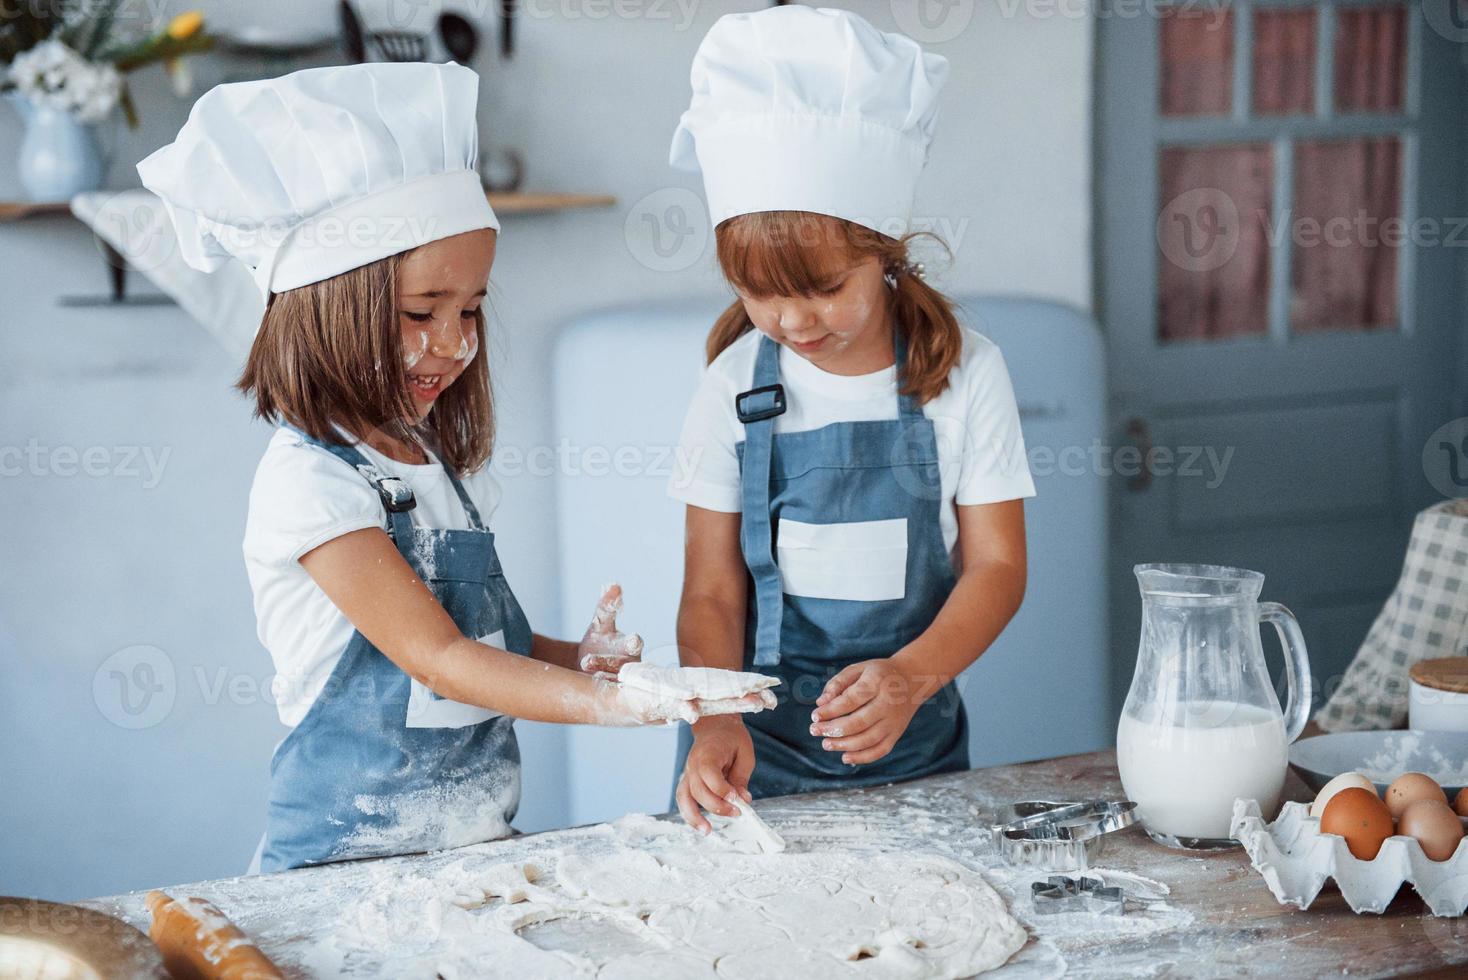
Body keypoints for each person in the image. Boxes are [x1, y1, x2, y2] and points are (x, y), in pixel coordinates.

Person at [139, 62, 729, 871]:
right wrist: (607, 707)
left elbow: (485, 640)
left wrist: (580, 660)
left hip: (470, 854)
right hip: (341, 868)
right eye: (422, 312)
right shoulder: (310, 485)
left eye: (472, 310)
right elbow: (438, 660)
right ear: (327, 311)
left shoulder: (429, 464)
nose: (453, 342)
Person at [664, 7, 1036, 830]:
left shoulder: (965, 375)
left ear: (885, 252)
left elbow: (998, 569)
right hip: (751, 768)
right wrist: (715, 717)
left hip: (919, 762)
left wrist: (908, 677)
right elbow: (713, 591)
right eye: (759, 292)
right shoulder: (732, 388)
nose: (792, 321)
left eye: (824, 288)